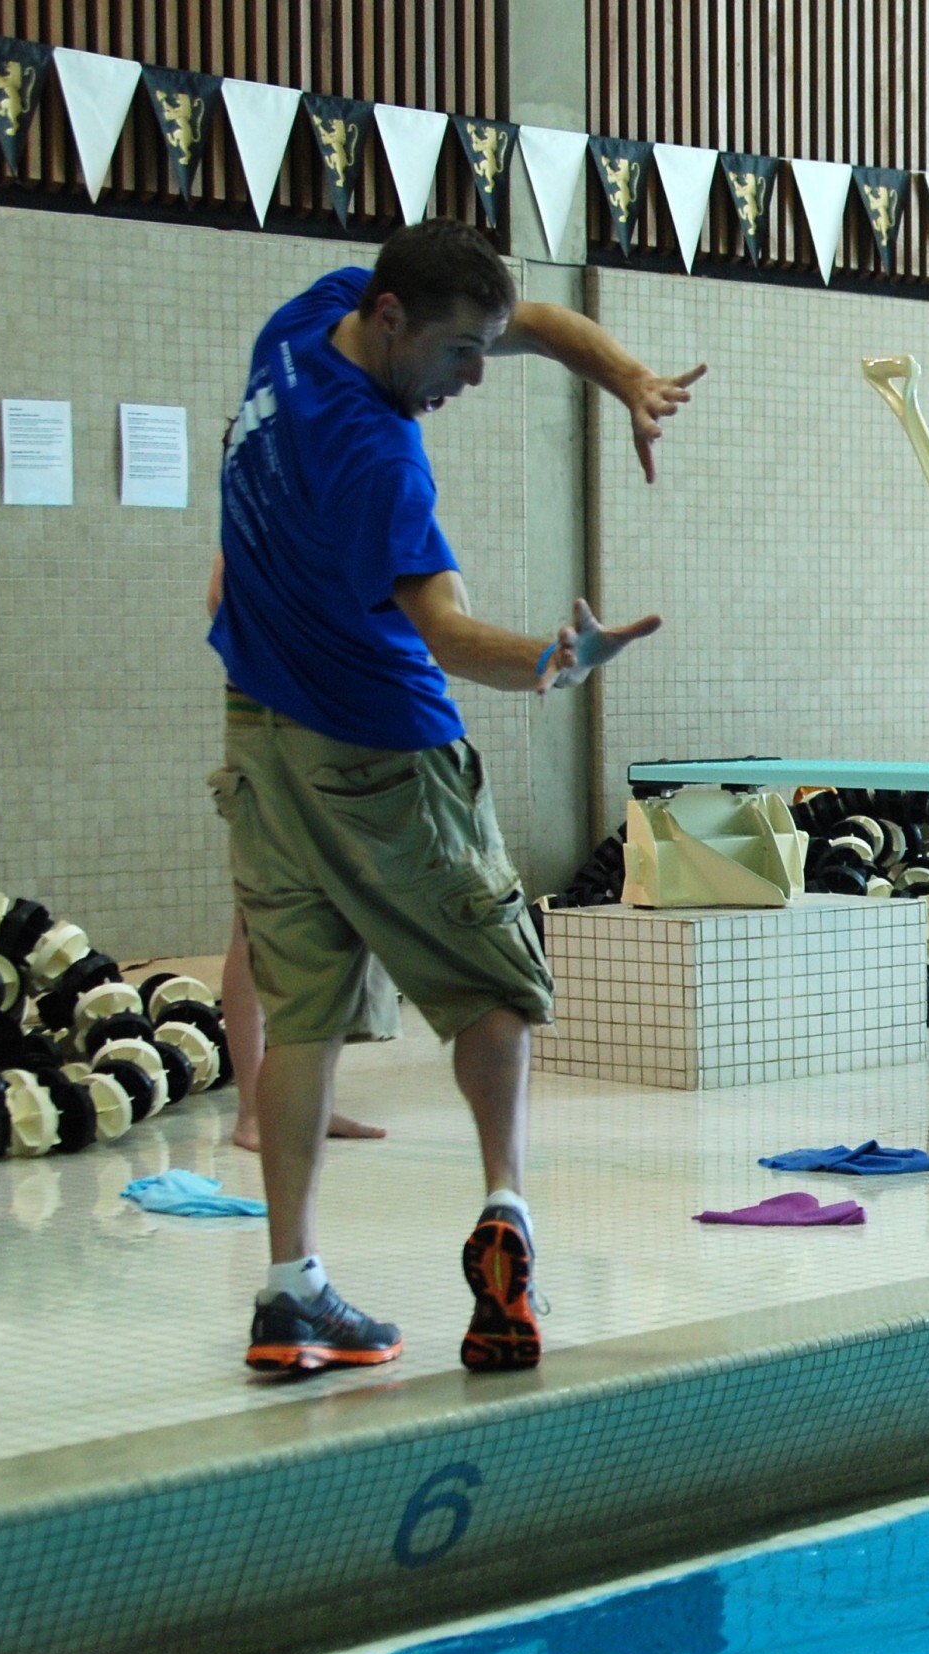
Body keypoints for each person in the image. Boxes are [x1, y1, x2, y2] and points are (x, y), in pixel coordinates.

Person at [211, 219, 702, 1377]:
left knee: (305, 1017)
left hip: (263, 741)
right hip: (383, 752)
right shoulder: (380, 457)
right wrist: (556, 662)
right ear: (391, 323)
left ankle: (289, 1290)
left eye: (481, 350)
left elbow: (525, 320)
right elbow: (445, 635)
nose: (475, 377)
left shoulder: (307, 321)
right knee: (495, 987)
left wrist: (624, 373)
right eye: (457, 356)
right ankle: (507, 1206)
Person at [204, 555, 385, 1152]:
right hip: (275, 740)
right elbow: (220, 608)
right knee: (256, 930)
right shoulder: (260, 505)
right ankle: (254, 1109)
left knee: (334, 926)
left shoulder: (338, 509)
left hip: (342, 738)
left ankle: (310, 1100)